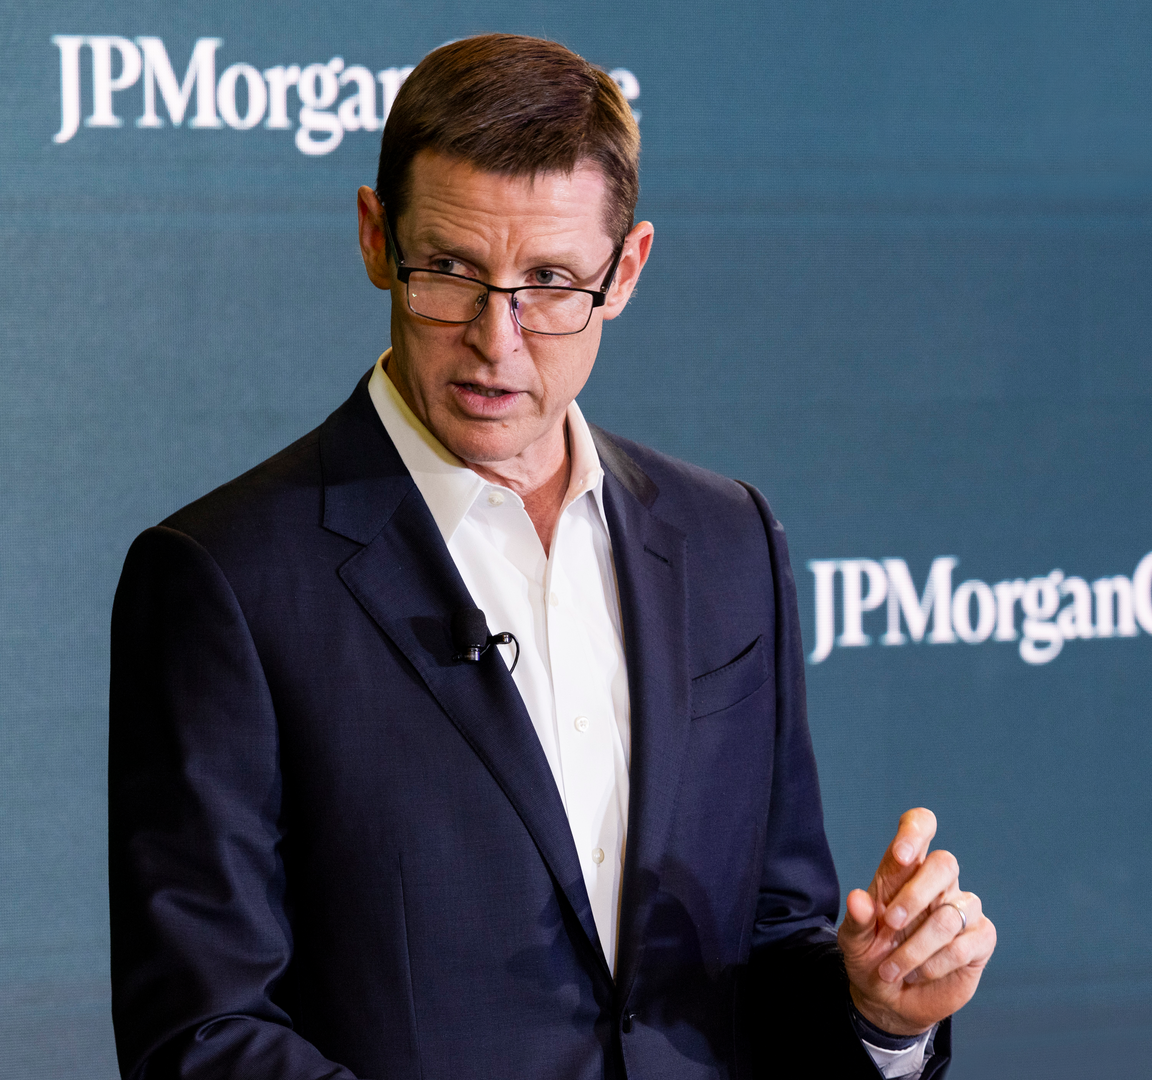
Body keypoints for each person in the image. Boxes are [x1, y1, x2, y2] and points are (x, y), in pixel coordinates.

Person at [108, 33, 993, 1080]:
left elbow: (764, 946)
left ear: (628, 271)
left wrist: (878, 1015)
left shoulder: (727, 542)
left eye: (551, 281)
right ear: (374, 239)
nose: (498, 339)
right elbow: (201, 1036)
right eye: (450, 271)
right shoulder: (226, 577)